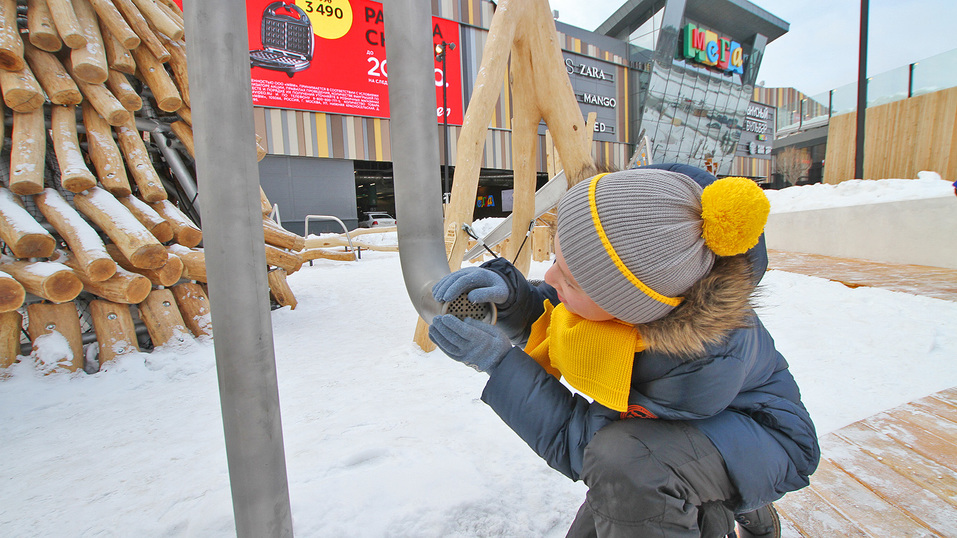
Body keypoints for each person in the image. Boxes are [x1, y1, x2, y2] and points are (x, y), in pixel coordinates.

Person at [428, 164, 820, 537]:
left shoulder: (691, 365)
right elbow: (571, 310)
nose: (548, 277)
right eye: (558, 261)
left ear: (627, 309)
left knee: (628, 469)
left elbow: (588, 446)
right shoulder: (651, 297)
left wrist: (500, 364)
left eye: (571, 280)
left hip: (770, 439)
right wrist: (514, 300)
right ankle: (729, 496)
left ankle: (723, 500)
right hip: (689, 431)